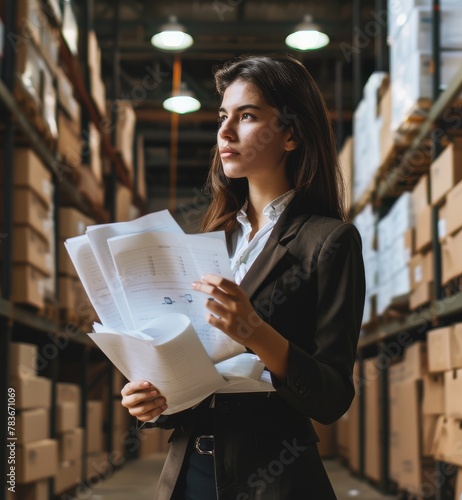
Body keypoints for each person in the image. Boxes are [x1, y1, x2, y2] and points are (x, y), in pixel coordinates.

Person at [121, 54, 365, 499]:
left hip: (273, 477)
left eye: (247, 116)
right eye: (222, 117)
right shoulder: (209, 241)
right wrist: (153, 402)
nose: (225, 132)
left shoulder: (329, 242)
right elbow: (193, 372)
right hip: (187, 472)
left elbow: (332, 397)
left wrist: (254, 331)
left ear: (291, 133)